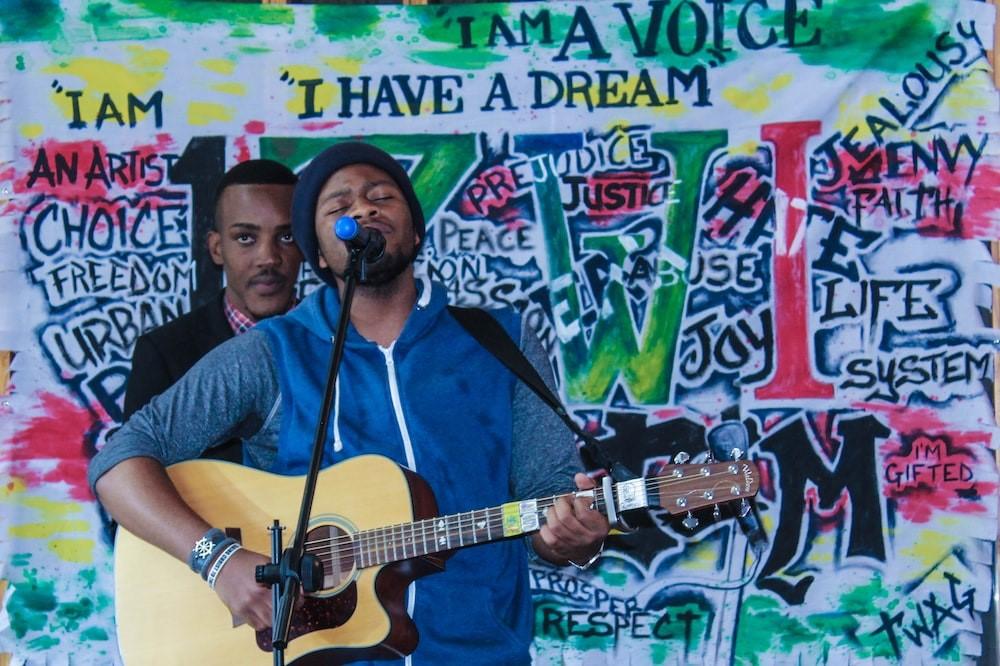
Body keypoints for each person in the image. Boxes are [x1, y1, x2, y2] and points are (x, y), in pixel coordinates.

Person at [88, 142, 608, 664]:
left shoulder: (502, 342)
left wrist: (576, 538)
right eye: (339, 206)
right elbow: (118, 463)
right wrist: (217, 559)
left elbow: (551, 502)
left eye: (381, 197)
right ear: (318, 253)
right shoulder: (272, 352)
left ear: (416, 230)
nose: (362, 209)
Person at [122, 159, 301, 461]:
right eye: (245, 238)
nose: (268, 257)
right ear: (217, 248)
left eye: (286, 237)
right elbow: (130, 472)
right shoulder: (165, 353)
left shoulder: (338, 344)